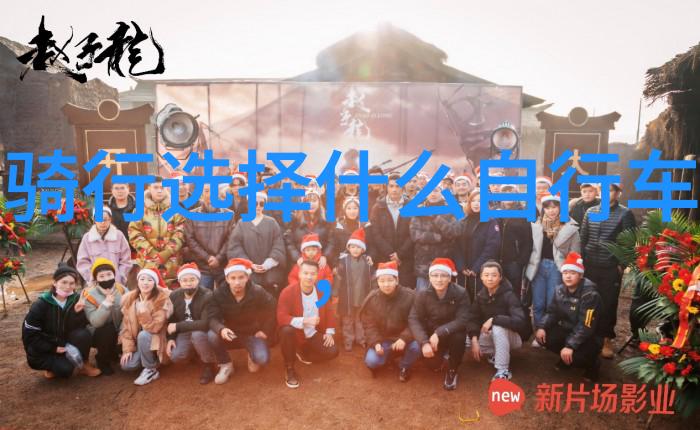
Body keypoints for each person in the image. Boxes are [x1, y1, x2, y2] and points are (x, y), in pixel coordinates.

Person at [580, 183, 636, 358]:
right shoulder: (591, 211)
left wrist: (621, 265)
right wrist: (581, 261)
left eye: (610, 190)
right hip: (590, 264)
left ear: (618, 193)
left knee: (609, 304)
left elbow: (629, 242)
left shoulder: (625, 213)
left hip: (610, 267)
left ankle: (606, 339)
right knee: (588, 301)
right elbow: (583, 237)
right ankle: (587, 335)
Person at [22, 263, 101, 378]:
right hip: (46, 346)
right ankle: (50, 367)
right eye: (64, 282)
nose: (68, 286)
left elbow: (77, 327)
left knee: (83, 334)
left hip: (63, 343)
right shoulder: (41, 304)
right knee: (65, 370)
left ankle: (84, 364)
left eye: (71, 283)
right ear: (55, 283)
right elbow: (30, 336)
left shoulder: (76, 300)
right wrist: (53, 348)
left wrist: (76, 313)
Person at [535, 252, 603, 381]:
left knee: (578, 356)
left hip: (589, 336)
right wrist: (542, 327)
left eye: (573, 273)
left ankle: (593, 364)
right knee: (544, 338)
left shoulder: (590, 295)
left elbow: (586, 326)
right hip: (569, 329)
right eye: (565, 273)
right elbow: (552, 312)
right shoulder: (559, 290)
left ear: (580, 275)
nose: (568, 276)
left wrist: (570, 346)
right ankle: (566, 359)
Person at [208, 258, 277, 385]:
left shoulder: (258, 291)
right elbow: (212, 317)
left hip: (251, 332)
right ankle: (226, 364)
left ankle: (252, 354)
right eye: (233, 278)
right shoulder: (218, 294)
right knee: (212, 335)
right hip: (229, 332)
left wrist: (265, 330)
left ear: (247, 277)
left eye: (241, 277)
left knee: (262, 359)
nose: (237, 282)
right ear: (227, 279)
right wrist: (221, 329)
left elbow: (272, 308)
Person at [408, 258, 470, 391]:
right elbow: (414, 319)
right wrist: (424, 342)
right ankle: (440, 356)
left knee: (459, 336)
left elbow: (463, 319)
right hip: (431, 335)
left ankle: (453, 369)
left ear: (450, 278)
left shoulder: (461, 293)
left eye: (443, 275)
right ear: (429, 277)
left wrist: (439, 332)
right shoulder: (422, 294)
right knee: (433, 366)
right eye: (435, 275)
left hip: (451, 333)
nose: (439, 279)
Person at [526, 194, 580, 344]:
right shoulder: (536, 226)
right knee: (538, 303)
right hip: (538, 266)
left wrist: (571, 271)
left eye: (554, 207)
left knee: (552, 303)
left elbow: (575, 253)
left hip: (557, 268)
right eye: (547, 207)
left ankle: (549, 334)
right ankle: (539, 335)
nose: (551, 210)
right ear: (543, 209)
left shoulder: (570, 227)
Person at [277, 260, 339, 388]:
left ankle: (303, 353)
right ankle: (289, 367)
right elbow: (281, 317)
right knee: (286, 330)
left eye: (313, 274)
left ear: (317, 275)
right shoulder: (288, 292)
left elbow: (329, 311)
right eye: (305, 273)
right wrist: (305, 320)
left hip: (312, 333)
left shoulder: (321, 291)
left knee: (333, 351)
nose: (309, 277)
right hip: (295, 334)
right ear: (299, 274)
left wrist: (329, 332)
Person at [466, 261, 528, 380]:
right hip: (491, 335)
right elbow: (473, 318)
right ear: (481, 277)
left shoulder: (509, 295)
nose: (490, 278)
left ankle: (503, 370)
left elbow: (520, 321)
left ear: (500, 277)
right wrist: (474, 340)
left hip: (513, 338)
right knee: (464, 339)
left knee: (498, 327)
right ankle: (495, 354)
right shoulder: (480, 295)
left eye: (494, 275)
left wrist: (494, 319)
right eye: (486, 275)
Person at [360, 261, 419, 381]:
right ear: (377, 282)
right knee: (372, 361)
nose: (386, 284)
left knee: (416, 347)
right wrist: (376, 343)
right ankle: (389, 358)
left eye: (390, 280)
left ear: (397, 280)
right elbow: (369, 325)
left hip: (404, 339)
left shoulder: (410, 296)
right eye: (382, 281)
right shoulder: (372, 298)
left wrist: (404, 338)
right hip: (383, 340)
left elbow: (416, 321)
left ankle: (404, 366)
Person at [128, 177, 186, 288]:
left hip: (172, 264)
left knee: (172, 295)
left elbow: (181, 231)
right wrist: (151, 252)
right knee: (150, 294)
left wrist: (167, 252)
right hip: (148, 263)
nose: (159, 190)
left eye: (162, 188)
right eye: (155, 187)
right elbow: (134, 233)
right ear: (149, 188)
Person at [166, 263, 218, 384]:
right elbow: (172, 319)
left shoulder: (207, 295)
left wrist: (178, 326)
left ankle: (209, 364)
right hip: (184, 331)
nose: (188, 283)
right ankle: (195, 353)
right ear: (179, 282)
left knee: (197, 335)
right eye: (184, 280)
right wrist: (171, 338)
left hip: (202, 330)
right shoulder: (174, 295)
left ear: (198, 280)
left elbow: (205, 323)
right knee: (176, 356)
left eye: (192, 279)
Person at [227, 192, 287, 297]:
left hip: (269, 275)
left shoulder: (272, 223)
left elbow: (278, 246)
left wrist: (267, 264)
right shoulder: (242, 223)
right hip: (248, 273)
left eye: (261, 203)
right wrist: (249, 264)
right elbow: (235, 247)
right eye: (254, 203)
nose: (258, 206)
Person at [119, 268, 173, 385]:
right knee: (127, 365)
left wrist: (144, 313)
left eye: (149, 280)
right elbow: (126, 328)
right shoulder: (131, 300)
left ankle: (151, 369)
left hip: (158, 342)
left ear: (155, 283)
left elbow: (155, 328)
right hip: (140, 344)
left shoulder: (161, 299)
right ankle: (151, 361)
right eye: (142, 279)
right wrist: (128, 349)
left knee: (143, 335)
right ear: (138, 282)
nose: (145, 283)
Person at [184, 184, 235, 290]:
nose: (210, 194)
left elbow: (231, 239)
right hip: (202, 266)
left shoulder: (229, 214)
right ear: (201, 194)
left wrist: (218, 258)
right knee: (204, 297)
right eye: (206, 191)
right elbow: (190, 240)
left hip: (222, 265)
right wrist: (207, 257)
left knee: (224, 296)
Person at [409, 186, 461, 291]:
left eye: (436, 191)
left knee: (444, 294)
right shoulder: (419, 211)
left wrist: (435, 217)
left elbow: (454, 232)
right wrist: (438, 237)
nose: (433, 194)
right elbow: (415, 234)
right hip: (423, 262)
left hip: (444, 260)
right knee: (422, 295)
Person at [82, 258, 128, 375]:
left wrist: (123, 331)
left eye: (109, 274)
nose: (106, 279)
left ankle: (114, 352)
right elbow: (95, 322)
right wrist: (106, 304)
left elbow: (129, 312)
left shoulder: (122, 289)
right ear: (96, 278)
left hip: (119, 329)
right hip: (98, 333)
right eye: (101, 276)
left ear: (114, 274)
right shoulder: (89, 295)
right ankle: (102, 360)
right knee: (108, 330)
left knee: (129, 329)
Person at [369, 172, 415, 289]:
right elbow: (376, 234)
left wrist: (400, 254)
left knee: (406, 292)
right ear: (386, 187)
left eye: (398, 186)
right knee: (386, 290)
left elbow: (413, 233)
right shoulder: (378, 207)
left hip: (405, 259)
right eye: (391, 186)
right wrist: (391, 254)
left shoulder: (411, 206)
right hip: (384, 257)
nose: (394, 189)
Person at [454, 189, 500, 298]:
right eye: (473, 201)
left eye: (480, 201)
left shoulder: (491, 222)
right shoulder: (463, 221)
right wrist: (461, 266)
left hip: (481, 270)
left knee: (479, 299)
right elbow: (456, 245)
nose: (476, 204)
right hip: (463, 271)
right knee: (463, 300)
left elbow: (492, 247)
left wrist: (477, 267)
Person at [335, 228, 373, 351]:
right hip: (347, 297)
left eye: (358, 247)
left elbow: (372, 279)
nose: (355, 249)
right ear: (348, 248)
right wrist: (335, 292)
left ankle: (361, 339)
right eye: (352, 247)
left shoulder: (367, 262)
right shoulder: (343, 261)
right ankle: (348, 340)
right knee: (347, 320)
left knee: (360, 320)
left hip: (362, 296)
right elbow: (338, 277)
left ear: (363, 249)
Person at [76, 207, 131, 285]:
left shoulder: (119, 235)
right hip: (96, 283)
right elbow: (82, 262)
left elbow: (126, 260)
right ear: (94, 220)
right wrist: (92, 278)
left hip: (116, 282)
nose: (102, 222)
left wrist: (120, 277)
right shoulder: (87, 238)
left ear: (110, 219)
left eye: (105, 219)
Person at [284, 189, 335, 271]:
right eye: (308, 201)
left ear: (319, 202)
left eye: (314, 201)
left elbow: (331, 242)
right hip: (300, 264)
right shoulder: (295, 220)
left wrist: (325, 256)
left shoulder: (327, 220)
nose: (311, 204)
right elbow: (289, 242)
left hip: (320, 264)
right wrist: (297, 257)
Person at [497, 185, 533, 301]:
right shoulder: (496, 213)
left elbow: (528, 240)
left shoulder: (523, 214)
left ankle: (515, 311)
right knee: (498, 290)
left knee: (514, 291)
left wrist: (521, 261)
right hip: (497, 259)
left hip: (514, 261)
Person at [331, 196, 371, 266]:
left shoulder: (365, 225)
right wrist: (335, 264)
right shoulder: (339, 226)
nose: (352, 211)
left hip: (362, 263)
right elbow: (334, 247)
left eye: (355, 208)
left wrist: (370, 256)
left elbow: (371, 245)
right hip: (343, 263)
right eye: (349, 208)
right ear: (344, 210)